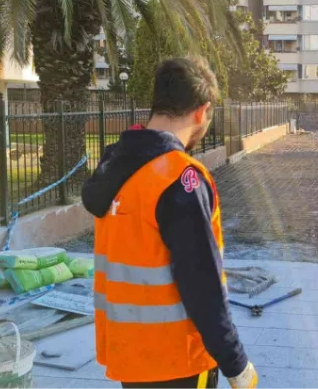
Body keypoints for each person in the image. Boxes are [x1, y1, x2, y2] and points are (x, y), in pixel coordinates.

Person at [82, 57, 258, 389]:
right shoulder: (180, 178)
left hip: (129, 358)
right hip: (179, 362)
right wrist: (236, 363)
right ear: (200, 112)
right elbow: (201, 283)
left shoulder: (115, 165)